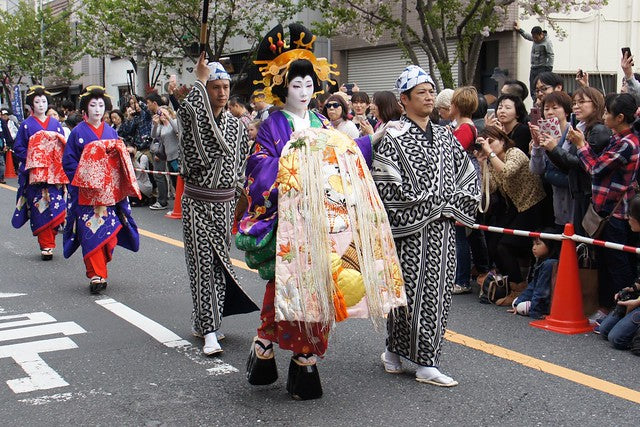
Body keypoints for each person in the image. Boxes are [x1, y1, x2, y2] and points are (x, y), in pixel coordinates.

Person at [238, 23, 401, 400]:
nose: (304, 91)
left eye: (309, 84)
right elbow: (259, 166)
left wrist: (371, 139)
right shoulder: (273, 124)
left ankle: (304, 356)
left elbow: (342, 154)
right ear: (282, 88)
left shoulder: (320, 122)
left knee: (323, 285)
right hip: (291, 217)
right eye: (296, 85)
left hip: (323, 218)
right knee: (288, 284)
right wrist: (292, 158)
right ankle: (267, 342)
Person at [372, 65, 480, 386]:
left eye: (432, 91)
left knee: (436, 293)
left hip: (443, 230)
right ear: (404, 100)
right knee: (404, 293)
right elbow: (386, 185)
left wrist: (452, 203)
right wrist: (432, 203)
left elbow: (466, 175)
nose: (430, 96)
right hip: (410, 233)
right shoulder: (392, 137)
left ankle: (426, 362)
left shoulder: (446, 134)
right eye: (422, 92)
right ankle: (394, 350)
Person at [177, 53, 259, 356]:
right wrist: (198, 79)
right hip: (198, 201)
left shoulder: (237, 127)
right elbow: (189, 112)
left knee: (219, 263)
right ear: (205, 90)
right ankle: (210, 329)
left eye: (225, 87)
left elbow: (240, 169)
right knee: (201, 265)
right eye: (215, 87)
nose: (222, 93)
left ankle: (207, 320)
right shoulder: (192, 117)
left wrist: (240, 204)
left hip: (224, 205)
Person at [62, 86, 141, 294]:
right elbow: (69, 161)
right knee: (90, 231)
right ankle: (96, 275)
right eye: (92, 105)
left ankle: (102, 267)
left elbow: (119, 159)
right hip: (86, 194)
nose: (97, 109)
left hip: (108, 193)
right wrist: (85, 178)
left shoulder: (111, 131)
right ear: (85, 109)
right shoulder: (78, 132)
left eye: (100, 105)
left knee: (109, 230)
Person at [569, 93, 640, 316]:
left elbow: (596, 170)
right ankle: (608, 308)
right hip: (606, 210)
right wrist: (583, 146)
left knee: (617, 264)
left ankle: (620, 311)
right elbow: (598, 164)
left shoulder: (627, 143)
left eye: (608, 112)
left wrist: (580, 145)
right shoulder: (618, 138)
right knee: (608, 261)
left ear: (620, 117)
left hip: (615, 213)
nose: (604, 116)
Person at [476, 125, 546, 299]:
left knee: (504, 245)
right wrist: (482, 163)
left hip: (535, 204)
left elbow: (507, 172)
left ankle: (518, 286)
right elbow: (490, 188)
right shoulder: (493, 161)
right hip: (517, 207)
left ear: (502, 139)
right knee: (492, 243)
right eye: (485, 143)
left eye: (491, 142)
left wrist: (489, 154)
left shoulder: (514, 152)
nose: (488, 146)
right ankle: (511, 282)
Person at [11, 86, 68, 261]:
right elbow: (18, 147)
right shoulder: (26, 125)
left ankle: (53, 234)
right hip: (35, 175)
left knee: (56, 205)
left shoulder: (55, 123)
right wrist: (36, 155)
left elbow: (63, 146)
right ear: (31, 105)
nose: (41, 105)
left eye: (43, 101)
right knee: (39, 207)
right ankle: (46, 245)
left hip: (54, 174)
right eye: (37, 102)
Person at [545, 87, 610, 237]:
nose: (576, 106)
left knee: (587, 239)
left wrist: (554, 149)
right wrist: (549, 148)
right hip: (579, 192)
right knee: (578, 238)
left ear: (596, 105)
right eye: (574, 103)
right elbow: (568, 166)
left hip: (590, 194)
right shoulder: (579, 128)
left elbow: (582, 165)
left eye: (581, 102)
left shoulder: (598, 130)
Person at [449, 86, 490, 294]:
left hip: (463, 185)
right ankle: (467, 274)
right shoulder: (465, 127)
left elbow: (452, 156)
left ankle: (462, 279)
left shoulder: (465, 129)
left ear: (456, 106)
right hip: (465, 183)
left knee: (460, 234)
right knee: (465, 233)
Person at [529, 91, 574, 229]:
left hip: (574, 204)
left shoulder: (574, 133)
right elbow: (536, 169)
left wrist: (554, 148)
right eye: (546, 108)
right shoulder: (544, 134)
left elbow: (571, 164)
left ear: (566, 111)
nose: (550, 112)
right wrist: (536, 145)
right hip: (556, 205)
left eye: (555, 108)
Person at [508, 228, 560, 319]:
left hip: (550, 303)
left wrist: (535, 312)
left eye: (538, 244)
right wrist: (518, 302)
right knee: (516, 302)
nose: (534, 248)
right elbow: (533, 286)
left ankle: (539, 309)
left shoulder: (549, 264)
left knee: (521, 307)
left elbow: (541, 290)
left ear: (549, 245)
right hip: (544, 300)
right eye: (533, 244)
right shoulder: (543, 261)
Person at [514, 23, 554, 102]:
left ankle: (542, 100)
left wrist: (549, 68)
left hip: (542, 68)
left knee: (540, 85)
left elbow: (551, 55)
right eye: (533, 38)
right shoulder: (535, 39)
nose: (534, 39)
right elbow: (527, 36)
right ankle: (535, 101)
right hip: (534, 67)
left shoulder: (547, 42)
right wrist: (519, 30)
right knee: (533, 86)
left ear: (541, 34)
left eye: (536, 37)